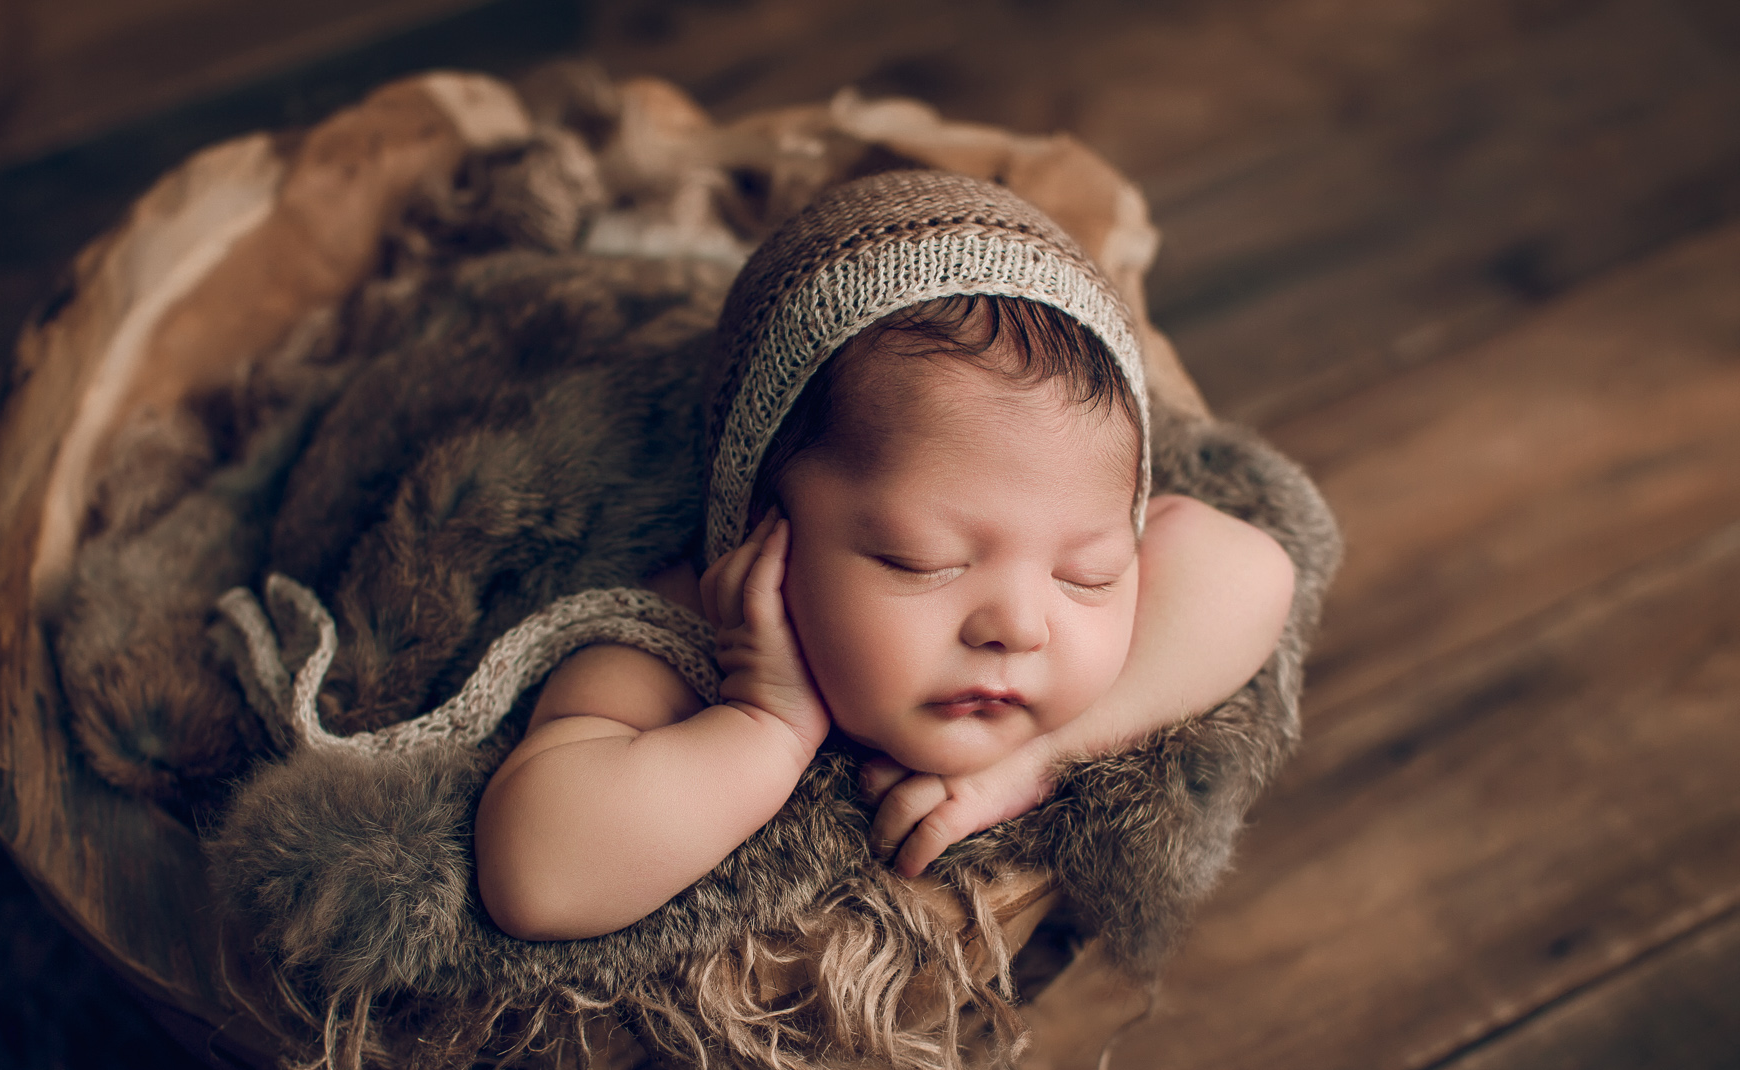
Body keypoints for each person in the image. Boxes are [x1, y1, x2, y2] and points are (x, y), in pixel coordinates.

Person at [475, 171, 1295, 942]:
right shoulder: (675, 644)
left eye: (1089, 574)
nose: (1018, 624)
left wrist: (1039, 761)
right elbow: (535, 876)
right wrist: (763, 726)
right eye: (921, 560)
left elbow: (1254, 571)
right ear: (754, 522)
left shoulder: (1052, 592)